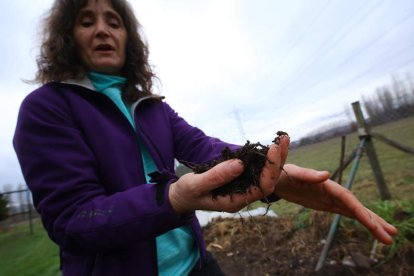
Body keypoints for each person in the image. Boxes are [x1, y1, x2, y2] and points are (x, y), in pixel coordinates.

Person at [13, 0, 397, 275]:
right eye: (86, 20)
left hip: (196, 264)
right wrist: (173, 198)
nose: (102, 29)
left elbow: (207, 149)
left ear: (128, 37)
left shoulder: (150, 107)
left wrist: (276, 177)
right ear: (67, 36)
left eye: (114, 21)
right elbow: (73, 220)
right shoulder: (46, 108)